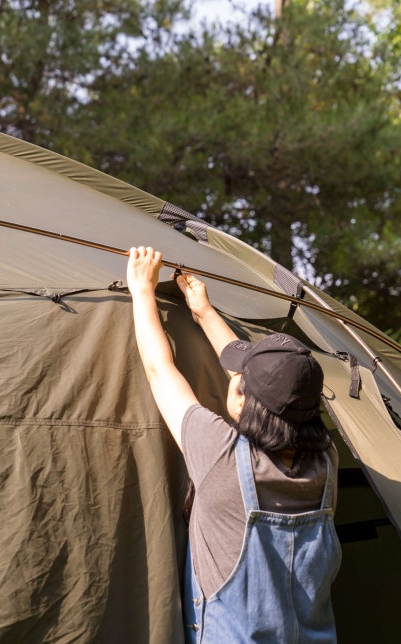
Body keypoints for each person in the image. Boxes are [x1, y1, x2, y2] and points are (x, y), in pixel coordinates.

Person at [126, 246, 341, 643]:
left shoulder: (220, 454)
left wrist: (141, 291)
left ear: (242, 401)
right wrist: (205, 313)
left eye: (238, 379)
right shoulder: (326, 461)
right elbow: (270, 389)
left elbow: (160, 370)